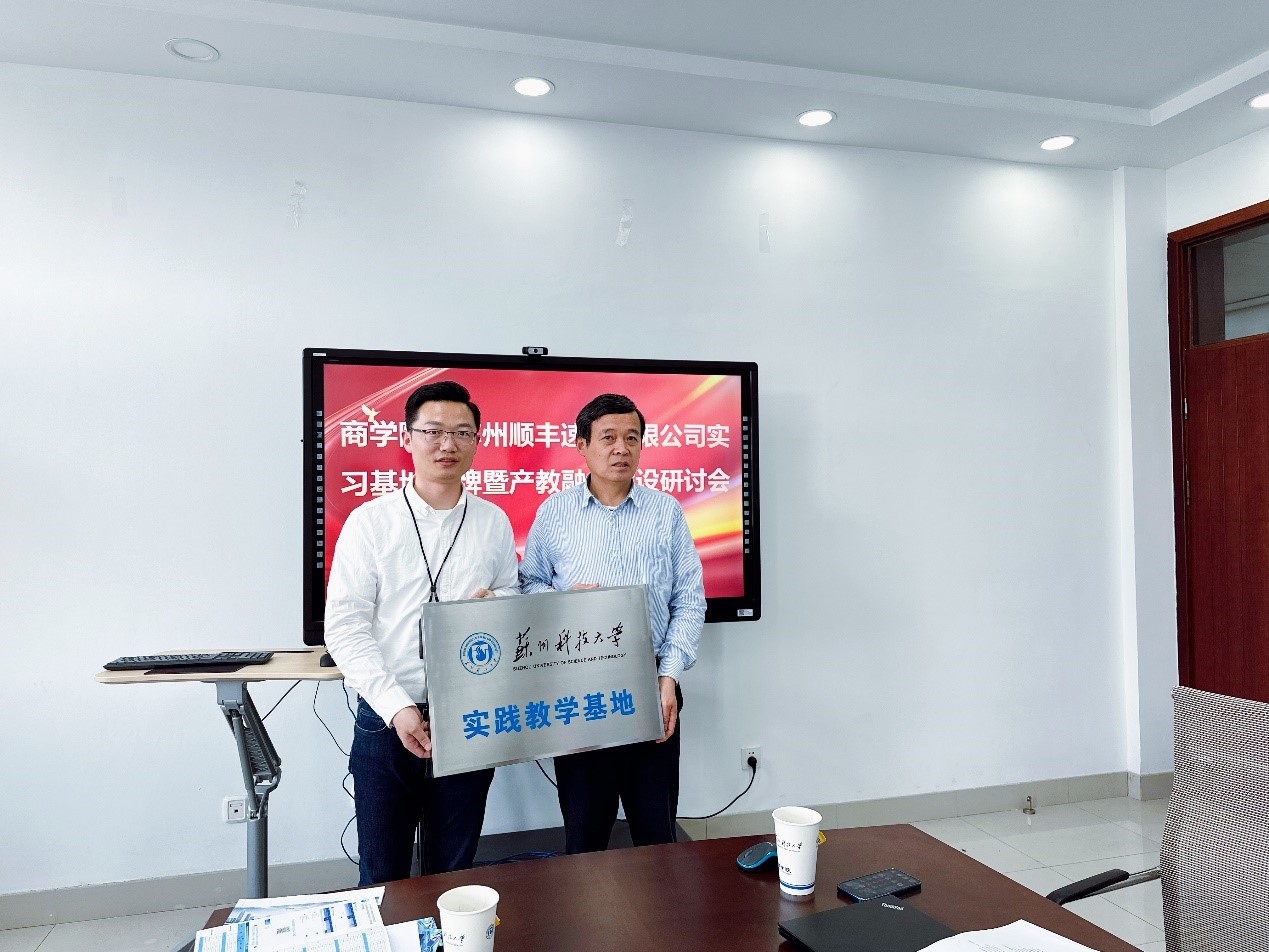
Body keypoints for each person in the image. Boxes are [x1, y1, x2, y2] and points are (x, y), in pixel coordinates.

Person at [325, 380, 518, 885]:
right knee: (382, 875)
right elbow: (344, 626)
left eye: (462, 433)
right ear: (407, 438)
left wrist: (496, 606)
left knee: (454, 873)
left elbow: (510, 594)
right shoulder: (371, 522)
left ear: (477, 442)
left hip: (469, 715)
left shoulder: (493, 521)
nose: (447, 444)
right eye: (433, 431)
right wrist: (396, 706)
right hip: (388, 716)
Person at [520, 392, 705, 853]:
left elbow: (689, 599)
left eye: (631, 438)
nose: (621, 448)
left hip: (651, 686)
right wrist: (563, 601)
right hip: (579, 695)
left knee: (656, 834)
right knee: (585, 837)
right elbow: (528, 586)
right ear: (582, 445)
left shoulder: (665, 511)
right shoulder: (554, 512)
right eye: (608, 437)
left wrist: (668, 677)